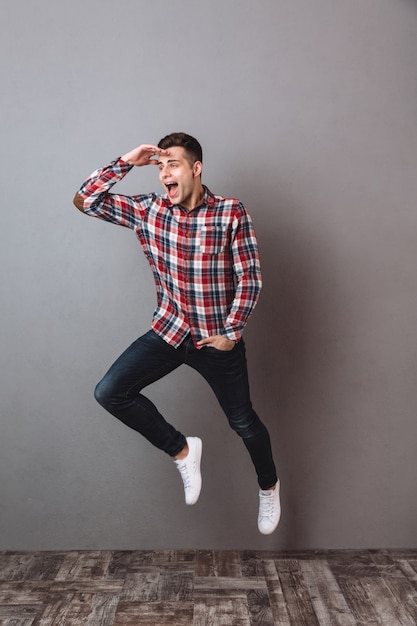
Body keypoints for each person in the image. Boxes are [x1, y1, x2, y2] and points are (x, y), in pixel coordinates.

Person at [73, 132, 281, 534]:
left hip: (216, 341)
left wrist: (231, 332)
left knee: (243, 422)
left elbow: (250, 277)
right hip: (168, 331)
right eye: (159, 167)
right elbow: (85, 201)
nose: (164, 173)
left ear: (196, 169)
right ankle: (183, 451)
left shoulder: (230, 212)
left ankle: (269, 486)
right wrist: (127, 161)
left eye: (173, 165)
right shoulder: (148, 210)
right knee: (109, 392)